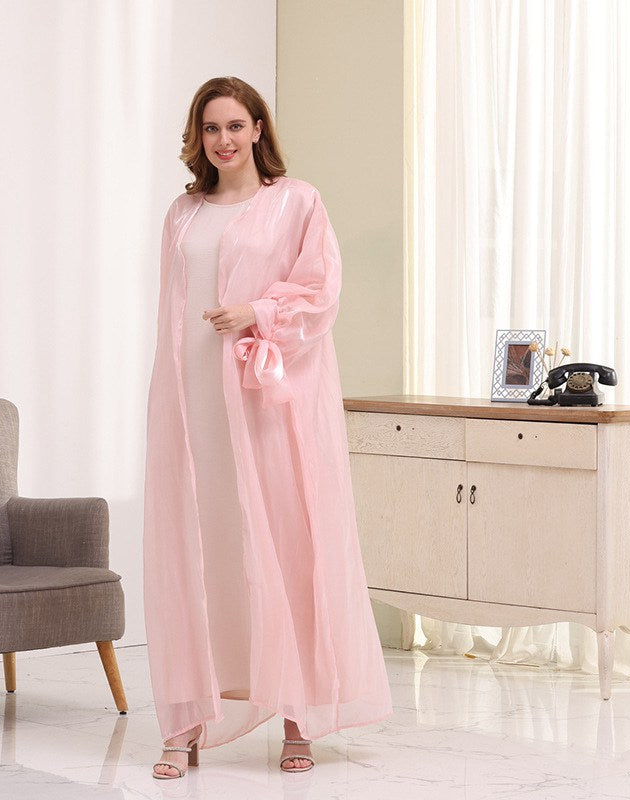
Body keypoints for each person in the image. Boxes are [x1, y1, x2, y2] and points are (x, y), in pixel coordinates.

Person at [143, 76, 392, 780]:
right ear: (198, 137)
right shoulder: (182, 214)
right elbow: (170, 314)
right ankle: (184, 722)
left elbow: (320, 293)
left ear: (258, 129)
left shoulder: (296, 203)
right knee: (198, 551)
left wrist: (257, 312)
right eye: (211, 128)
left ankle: (297, 717)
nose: (223, 140)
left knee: (284, 547)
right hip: (192, 407)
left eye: (235, 126)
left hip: (264, 406)